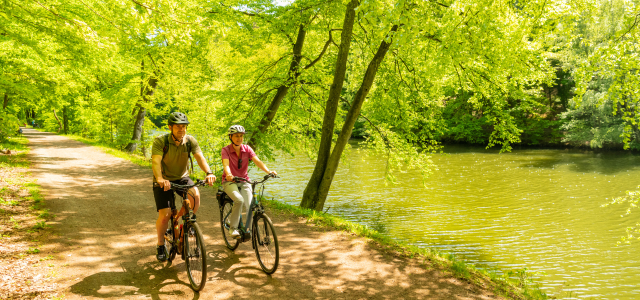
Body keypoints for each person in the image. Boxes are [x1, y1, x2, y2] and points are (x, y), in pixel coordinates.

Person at [151, 112, 216, 261]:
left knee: (196, 196)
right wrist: (160, 178)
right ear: (170, 127)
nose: (182, 130)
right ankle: (160, 244)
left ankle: (182, 223)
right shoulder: (160, 141)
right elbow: (156, 161)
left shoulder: (190, 141)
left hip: (182, 178)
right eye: (178, 127)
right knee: (165, 215)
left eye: (184, 127)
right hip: (164, 180)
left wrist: (209, 172)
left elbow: (199, 157)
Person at [222, 125, 277, 239]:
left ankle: (248, 230)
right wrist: (228, 174)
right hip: (230, 181)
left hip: (244, 180)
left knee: (251, 205)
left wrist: (268, 171)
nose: (239, 138)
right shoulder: (226, 150)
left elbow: (257, 161)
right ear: (231, 137)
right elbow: (226, 165)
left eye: (241, 136)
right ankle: (233, 229)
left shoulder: (247, 149)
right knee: (239, 200)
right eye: (236, 136)